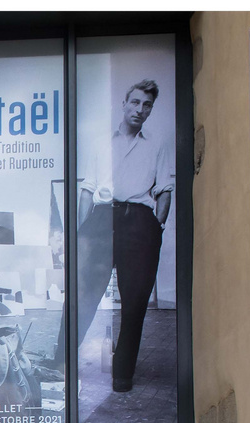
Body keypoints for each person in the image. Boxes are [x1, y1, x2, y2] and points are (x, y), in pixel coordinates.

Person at [63, 79, 174, 392]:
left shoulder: (157, 143)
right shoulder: (102, 142)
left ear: (151, 110)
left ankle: (122, 375)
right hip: (100, 221)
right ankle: (61, 364)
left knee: (134, 304)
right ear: (125, 104)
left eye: (147, 105)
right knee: (81, 296)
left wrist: (157, 226)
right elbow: (86, 191)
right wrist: (79, 232)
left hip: (139, 223)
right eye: (135, 103)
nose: (140, 109)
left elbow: (165, 190)